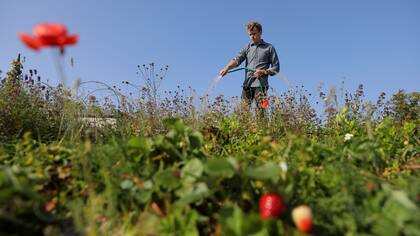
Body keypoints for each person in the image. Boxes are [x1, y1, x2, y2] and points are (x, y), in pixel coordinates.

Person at [219, 22, 279, 110]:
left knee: (261, 112)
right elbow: (237, 60)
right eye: (250, 34)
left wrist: (263, 72)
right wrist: (227, 67)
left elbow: (276, 68)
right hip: (247, 84)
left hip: (261, 86)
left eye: (254, 34)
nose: (252, 36)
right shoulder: (246, 48)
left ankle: (262, 123)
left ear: (260, 32)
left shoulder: (269, 48)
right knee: (243, 112)